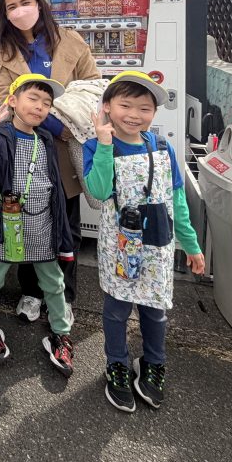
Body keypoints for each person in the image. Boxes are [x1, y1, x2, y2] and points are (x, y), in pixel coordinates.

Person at [83, 71, 205, 412]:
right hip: (119, 245)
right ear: (107, 107)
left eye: (145, 108)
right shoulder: (96, 145)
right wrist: (105, 146)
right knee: (117, 309)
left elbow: (176, 199)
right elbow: (98, 191)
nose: (134, 115)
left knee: (155, 312)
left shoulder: (161, 146)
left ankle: (153, 363)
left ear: (154, 113)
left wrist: (191, 245)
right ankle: (117, 364)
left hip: (157, 246)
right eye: (125, 105)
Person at [0, 0, 100, 323]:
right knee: (25, 220)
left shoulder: (70, 41)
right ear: (5, 15)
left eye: (25, 2)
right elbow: (1, 95)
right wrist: (53, 124)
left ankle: (65, 294)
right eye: (11, 7)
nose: (19, 10)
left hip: (67, 148)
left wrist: (71, 124)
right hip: (26, 145)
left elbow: (93, 85)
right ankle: (31, 291)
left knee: (67, 224)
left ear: (39, 3)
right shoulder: (1, 50)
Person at [0, 74, 76, 375]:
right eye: (32, 99)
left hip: (42, 224)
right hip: (7, 222)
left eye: (46, 103)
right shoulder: (0, 135)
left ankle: (61, 333)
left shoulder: (45, 138)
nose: (39, 107)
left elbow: (54, 186)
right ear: (12, 101)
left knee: (52, 280)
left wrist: (61, 226)